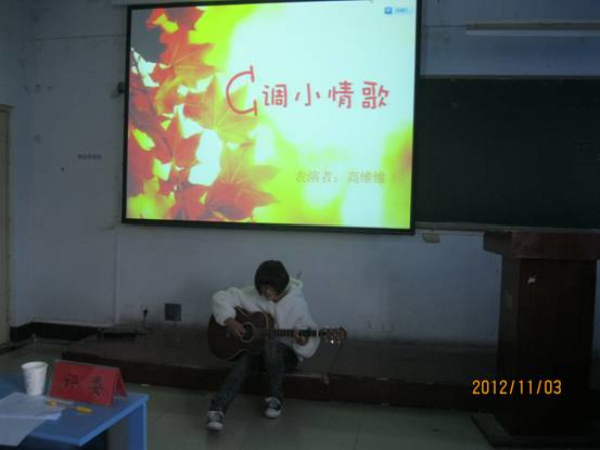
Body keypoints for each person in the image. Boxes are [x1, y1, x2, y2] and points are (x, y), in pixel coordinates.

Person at [206, 260, 319, 432]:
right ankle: (217, 409)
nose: (265, 292)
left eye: (270, 288)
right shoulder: (253, 294)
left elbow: (308, 332)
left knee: (271, 345)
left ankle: (275, 398)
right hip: (258, 352)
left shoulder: (297, 304)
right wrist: (229, 320)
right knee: (246, 359)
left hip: (284, 357)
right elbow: (220, 297)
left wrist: (302, 341)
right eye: (262, 287)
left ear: (281, 285)